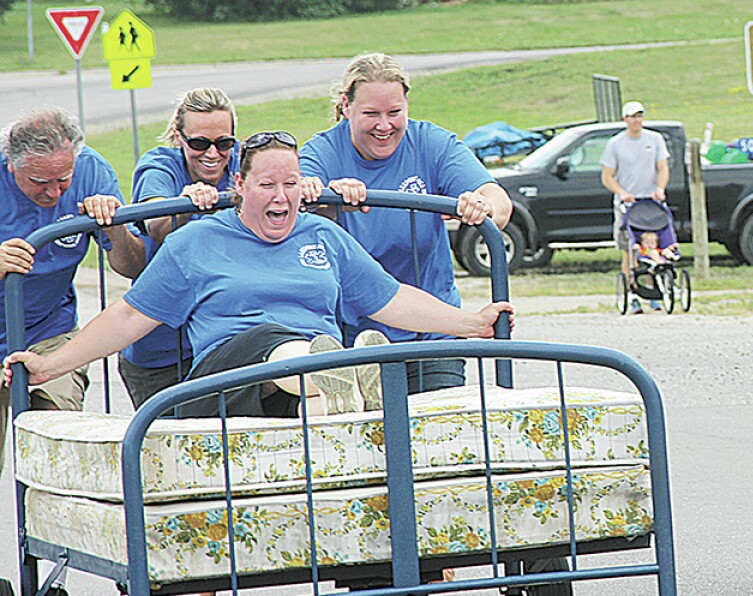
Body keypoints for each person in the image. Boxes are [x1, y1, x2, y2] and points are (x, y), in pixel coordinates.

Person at [5, 132, 515, 418]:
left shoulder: (322, 236)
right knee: (281, 339)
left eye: (292, 183)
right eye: (267, 184)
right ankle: (335, 366)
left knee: (323, 403)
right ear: (239, 185)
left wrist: (474, 324)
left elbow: (391, 299)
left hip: (298, 388)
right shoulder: (195, 243)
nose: (282, 196)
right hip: (223, 383)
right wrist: (52, 366)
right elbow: (127, 316)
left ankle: (332, 380)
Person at [300, 53, 513, 394]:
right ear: (346, 105)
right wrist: (325, 195)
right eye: (371, 114)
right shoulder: (323, 151)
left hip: (432, 330)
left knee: (439, 434)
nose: (384, 126)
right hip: (355, 336)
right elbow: (296, 193)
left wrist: (482, 206)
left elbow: (499, 202)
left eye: (394, 113)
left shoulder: (431, 143)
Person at [0, 108, 146, 447]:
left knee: (57, 440)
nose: (54, 193)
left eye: (63, 179)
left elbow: (131, 267)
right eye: (39, 182)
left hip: (50, 330)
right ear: (11, 163)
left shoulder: (92, 170)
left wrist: (116, 227)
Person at [120, 88, 242, 408]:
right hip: (162, 355)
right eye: (199, 143)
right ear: (179, 137)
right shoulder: (160, 165)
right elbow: (156, 226)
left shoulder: (243, 162)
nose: (213, 154)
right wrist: (184, 205)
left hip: (223, 343)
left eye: (224, 143)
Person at [600, 101, 669, 314]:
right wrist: (622, 193)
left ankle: (652, 290)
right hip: (628, 203)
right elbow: (607, 176)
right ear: (625, 120)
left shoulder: (655, 140)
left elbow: (662, 167)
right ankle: (632, 292)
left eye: (639, 116)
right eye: (632, 116)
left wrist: (660, 188)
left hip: (649, 201)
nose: (636, 120)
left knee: (651, 246)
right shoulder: (616, 144)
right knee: (629, 249)